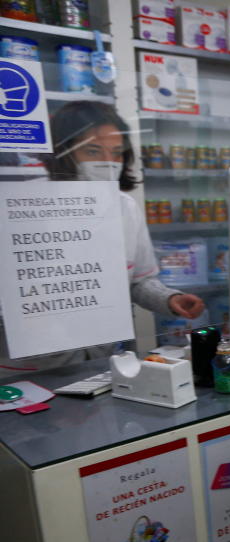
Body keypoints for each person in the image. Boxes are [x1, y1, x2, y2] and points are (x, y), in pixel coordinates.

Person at [0, 101, 205, 376]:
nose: (108, 162)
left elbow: (139, 280)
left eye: (117, 153)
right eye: (93, 151)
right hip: (28, 371)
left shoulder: (125, 207)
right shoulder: (21, 207)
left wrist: (169, 299)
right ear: (63, 153)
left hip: (102, 361)